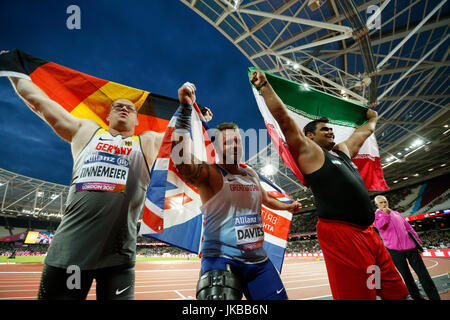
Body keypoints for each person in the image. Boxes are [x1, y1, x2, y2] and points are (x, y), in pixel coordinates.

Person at [4, 58, 211, 300]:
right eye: (117, 106)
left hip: (118, 260)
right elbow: (40, 102)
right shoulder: (86, 132)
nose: (124, 109)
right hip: (66, 255)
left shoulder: (146, 142)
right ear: (107, 116)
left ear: (136, 120)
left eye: (130, 108)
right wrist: (11, 66)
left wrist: (188, 108)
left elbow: (179, 136)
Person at [249, 70, 409, 300]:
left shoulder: (342, 152)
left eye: (331, 128)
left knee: (396, 292)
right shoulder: (310, 153)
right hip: (342, 234)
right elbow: (284, 119)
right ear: (310, 136)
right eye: (324, 129)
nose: (331, 131)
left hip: (369, 234)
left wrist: (372, 118)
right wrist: (264, 85)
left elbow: (363, 133)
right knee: (359, 296)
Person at [172, 82, 302, 300]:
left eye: (237, 141)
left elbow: (266, 198)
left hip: (259, 262)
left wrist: (288, 207)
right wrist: (185, 109)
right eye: (227, 142)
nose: (234, 146)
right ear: (216, 148)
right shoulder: (211, 174)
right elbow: (181, 161)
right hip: (221, 259)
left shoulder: (250, 173)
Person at [374, 195, 441, 300]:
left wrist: (418, 242)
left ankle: (435, 297)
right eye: (381, 202)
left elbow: (409, 228)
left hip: (411, 248)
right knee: (407, 277)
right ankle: (417, 298)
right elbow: (379, 226)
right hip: (395, 251)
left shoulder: (397, 214)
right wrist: (385, 214)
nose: (384, 204)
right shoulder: (376, 216)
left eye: (385, 202)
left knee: (424, 275)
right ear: (376, 204)